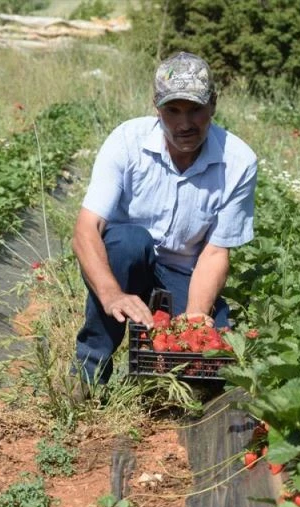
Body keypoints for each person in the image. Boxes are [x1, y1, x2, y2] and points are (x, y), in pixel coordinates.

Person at [72, 52, 258, 388]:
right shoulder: (126, 142)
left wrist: (196, 315)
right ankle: (90, 373)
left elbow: (215, 252)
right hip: (126, 260)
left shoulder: (238, 162)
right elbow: (86, 230)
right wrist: (113, 294)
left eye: (195, 110)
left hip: (184, 270)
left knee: (210, 355)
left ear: (213, 105)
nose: (185, 124)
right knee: (128, 242)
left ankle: (173, 381)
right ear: (156, 107)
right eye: (173, 110)